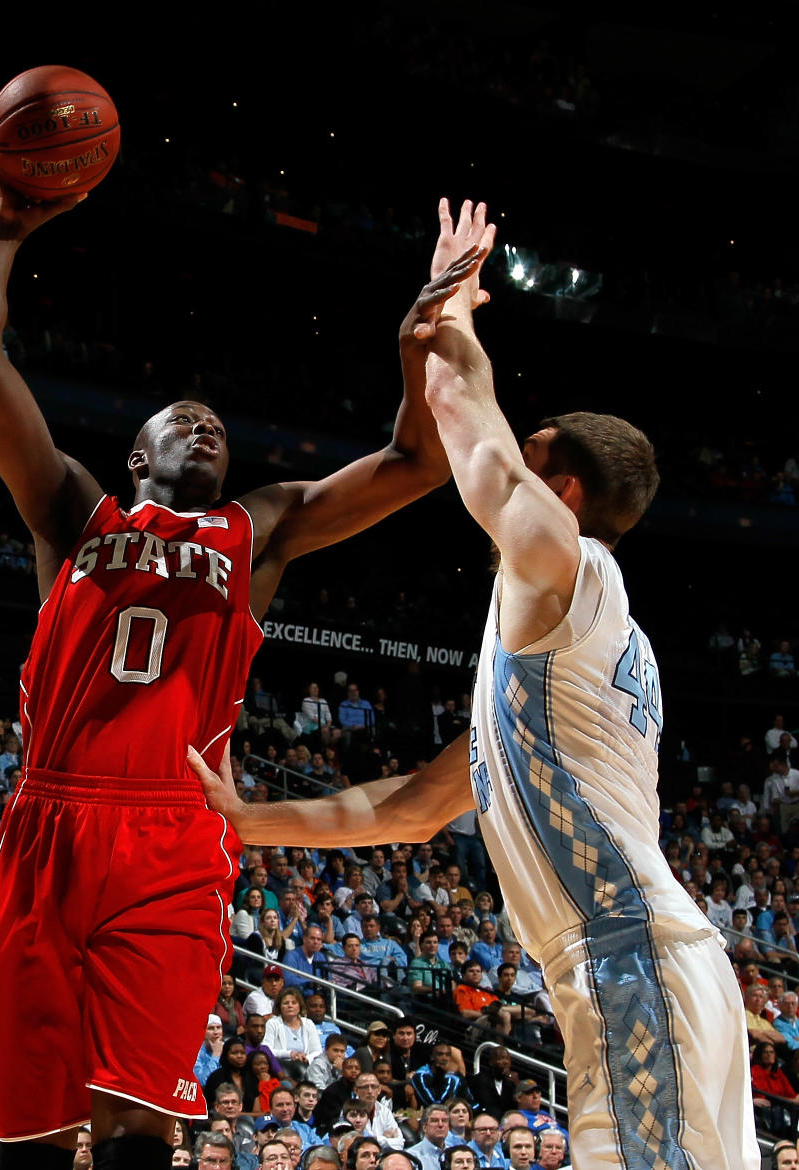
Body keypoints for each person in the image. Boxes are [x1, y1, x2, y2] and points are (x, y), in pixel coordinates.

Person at [192, 199, 759, 1169]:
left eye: (535, 465)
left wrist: (449, 314)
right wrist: (248, 821)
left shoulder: (571, 572)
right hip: (650, 969)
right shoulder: (545, 669)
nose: (508, 480)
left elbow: (481, 453)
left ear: (564, 493)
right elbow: (412, 808)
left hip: (633, 965)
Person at [0, 157, 483, 1169]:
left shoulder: (262, 528)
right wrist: (4, 228)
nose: (209, 427)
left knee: (139, 1128)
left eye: (222, 430)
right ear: (138, 458)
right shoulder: (73, 510)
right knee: (29, 1133)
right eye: (185, 423)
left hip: (173, 834)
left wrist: (424, 334)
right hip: (48, 824)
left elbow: (418, 462)